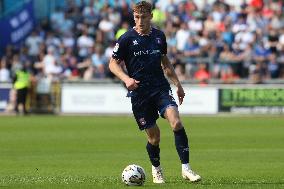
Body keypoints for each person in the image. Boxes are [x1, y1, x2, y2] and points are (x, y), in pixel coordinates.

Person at [109, 1, 201, 184]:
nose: (140, 21)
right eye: (136, 17)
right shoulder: (126, 39)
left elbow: (165, 63)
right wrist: (126, 79)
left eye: (143, 17)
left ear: (151, 16)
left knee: (176, 123)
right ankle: (157, 170)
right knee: (154, 137)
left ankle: (186, 169)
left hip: (160, 88)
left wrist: (178, 85)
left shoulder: (159, 36)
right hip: (140, 94)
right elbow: (112, 64)